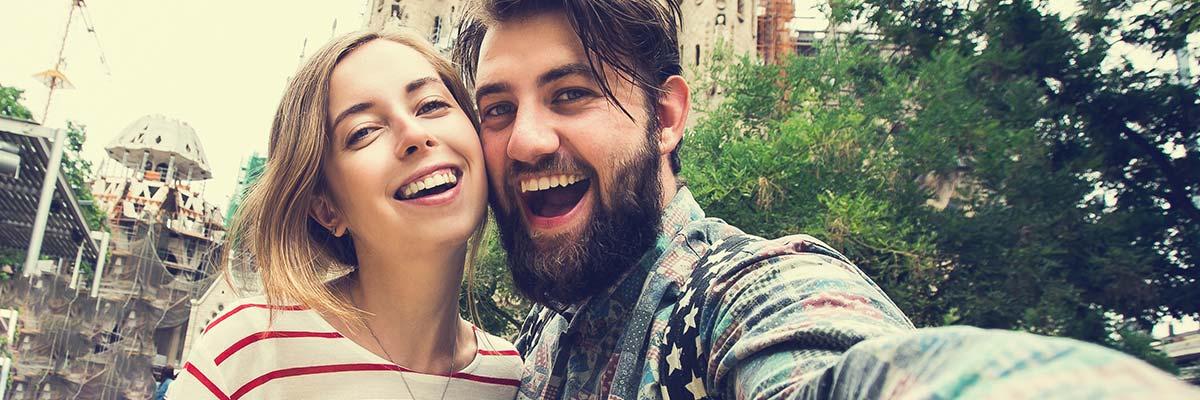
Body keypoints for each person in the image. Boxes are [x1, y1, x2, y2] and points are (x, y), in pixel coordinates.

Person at [452, 1, 1200, 399]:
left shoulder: (738, 298)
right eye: (496, 108)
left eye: (571, 93)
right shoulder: (535, 350)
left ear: (670, 116)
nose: (525, 141)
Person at [168, 31, 521, 399]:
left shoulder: (509, 377)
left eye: (431, 105)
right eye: (363, 132)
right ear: (326, 208)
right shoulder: (252, 350)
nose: (414, 134)